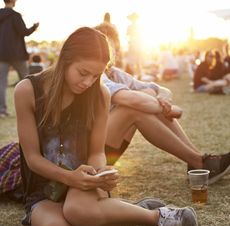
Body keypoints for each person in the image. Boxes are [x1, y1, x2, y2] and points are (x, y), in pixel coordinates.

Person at [14, 27, 198, 226]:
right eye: (83, 73)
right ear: (65, 59)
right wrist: (69, 177)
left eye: (96, 75)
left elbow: (96, 152)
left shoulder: (100, 94)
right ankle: (130, 211)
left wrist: (101, 172)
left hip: (87, 183)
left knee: (79, 212)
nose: (88, 82)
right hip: (43, 191)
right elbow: (32, 159)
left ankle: (158, 218)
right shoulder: (27, 90)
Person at [94, 23, 230, 185]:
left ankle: (196, 160)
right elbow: (129, 99)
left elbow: (157, 89)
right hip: (89, 153)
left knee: (146, 98)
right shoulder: (95, 75)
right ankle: (199, 162)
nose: (107, 54)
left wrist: (162, 99)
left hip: (106, 147)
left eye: (111, 48)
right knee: (134, 108)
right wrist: (168, 108)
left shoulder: (116, 74)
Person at [0, 0, 39, 117]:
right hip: (17, 54)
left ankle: (1, 110)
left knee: (1, 82)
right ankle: (36, 108)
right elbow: (24, 32)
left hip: (1, 54)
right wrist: (34, 27)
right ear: (13, 1)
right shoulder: (16, 16)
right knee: (28, 80)